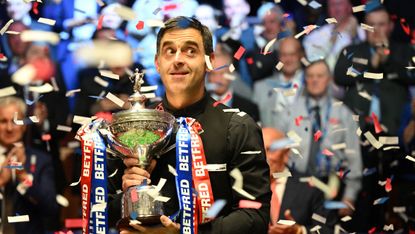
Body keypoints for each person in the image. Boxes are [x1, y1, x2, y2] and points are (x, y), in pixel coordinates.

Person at [108, 16, 271, 233]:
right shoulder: (134, 126)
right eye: (169, 51)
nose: (178, 59)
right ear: (157, 63)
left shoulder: (239, 127)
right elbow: (102, 210)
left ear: (209, 61)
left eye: (190, 51)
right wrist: (126, 196)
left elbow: (256, 216)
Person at [276, 60, 363, 217]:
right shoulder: (290, 112)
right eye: (310, 76)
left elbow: (353, 157)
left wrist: (350, 195)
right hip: (295, 183)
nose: (315, 80)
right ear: (305, 79)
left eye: (320, 75)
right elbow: (276, 151)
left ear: (329, 79)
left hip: (329, 185)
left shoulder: (343, 114)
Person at [0, 96, 59, 233]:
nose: (9, 128)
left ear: (24, 125)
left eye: (15, 121)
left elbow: (51, 208)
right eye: (3, 121)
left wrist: (23, 177)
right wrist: (1, 181)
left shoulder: (40, 160)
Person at [262, 127, 336, 234]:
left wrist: (299, 231)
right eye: (260, 150)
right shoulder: (243, 187)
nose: (263, 157)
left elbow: (328, 229)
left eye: (270, 150)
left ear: (286, 153)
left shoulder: (311, 187)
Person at [253, 37, 304, 127]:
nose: (288, 60)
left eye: (292, 54)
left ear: (300, 55)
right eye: (284, 55)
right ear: (278, 57)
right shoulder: (261, 88)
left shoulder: (312, 84)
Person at [207, 41, 260, 121]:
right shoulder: (195, 107)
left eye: (222, 74)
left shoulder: (249, 109)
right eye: (213, 74)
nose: (218, 80)